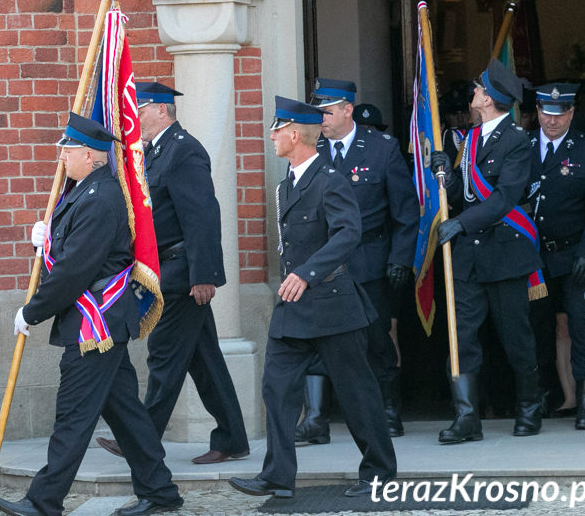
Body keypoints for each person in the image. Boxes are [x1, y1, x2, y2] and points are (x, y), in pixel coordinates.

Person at [0, 113, 182, 516]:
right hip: (98, 324)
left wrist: (33, 311)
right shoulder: (82, 192)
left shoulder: (101, 198)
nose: (62, 156)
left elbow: (76, 269)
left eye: (68, 149)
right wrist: (41, 245)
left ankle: (44, 501)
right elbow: (66, 256)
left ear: (93, 156)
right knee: (126, 414)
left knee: (74, 416)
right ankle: (160, 490)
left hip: (95, 325)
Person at [229, 96, 396, 500]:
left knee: (357, 393)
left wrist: (307, 273)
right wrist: (296, 278)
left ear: (293, 134)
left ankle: (379, 473)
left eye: (275, 130)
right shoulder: (287, 184)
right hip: (294, 308)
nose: (270, 136)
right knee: (277, 387)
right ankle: (278, 476)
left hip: (333, 305)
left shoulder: (330, 180)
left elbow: (347, 234)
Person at [95, 82, 249, 465]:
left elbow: (202, 215)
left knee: (163, 355)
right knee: (204, 359)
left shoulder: (184, 150)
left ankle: (141, 440)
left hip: (182, 273)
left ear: (162, 110)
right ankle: (231, 437)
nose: (136, 117)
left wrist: (205, 275)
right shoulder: (155, 150)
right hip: (165, 266)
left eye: (141, 109)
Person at [430, 59, 545, 443]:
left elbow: (504, 198)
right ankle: (466, 418)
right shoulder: (470, 137)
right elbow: (461, 195)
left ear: (492, 100)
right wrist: (444, 170)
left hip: (504, 253)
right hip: (469, 259)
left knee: (516, 337)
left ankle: (530, 407)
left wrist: (462, 223)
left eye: (479, 90)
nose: (474, 93)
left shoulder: (516, 141)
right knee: (461, 338)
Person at [303, 79, 419, 440]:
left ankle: (386, 410)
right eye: (318, 110)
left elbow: (405, 211)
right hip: (323, 263)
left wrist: (400, 258)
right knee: (318, 339)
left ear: (348, 110)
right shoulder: (310, 148)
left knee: (376, 339)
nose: (321, 118)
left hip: (370, 260)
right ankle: (316, 419)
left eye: (327, 110)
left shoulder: (382, 149)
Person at [529, 83, 585, 429]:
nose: (552, 121)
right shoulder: (524, 147)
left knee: (580, 327)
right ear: (537, 112)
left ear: (571, 112)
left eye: (560, 113)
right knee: (534, 328)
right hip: (533, 258)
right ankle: (535, 398)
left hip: (574, 255)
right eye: (546, 114)